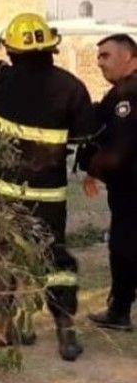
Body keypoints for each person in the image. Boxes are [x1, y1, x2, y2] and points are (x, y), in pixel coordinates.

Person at [0, 0, 96, 361]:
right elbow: (85, 139)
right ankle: (65, 331)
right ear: (51, 48)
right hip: (46, 198)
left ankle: (3, 328)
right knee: (55, 261)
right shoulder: (72, 88)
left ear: (11, 50)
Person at [78, 33, 137, 331]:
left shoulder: (129, 95)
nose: (99, 62)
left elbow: (120, 149)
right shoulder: (119, 93)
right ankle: (119, 309)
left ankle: (119, 312)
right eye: (98, 56)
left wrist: (93, 170)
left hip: (132, 191)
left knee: (124, 248)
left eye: (106, 56)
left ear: (128, 56)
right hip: (127, 190)